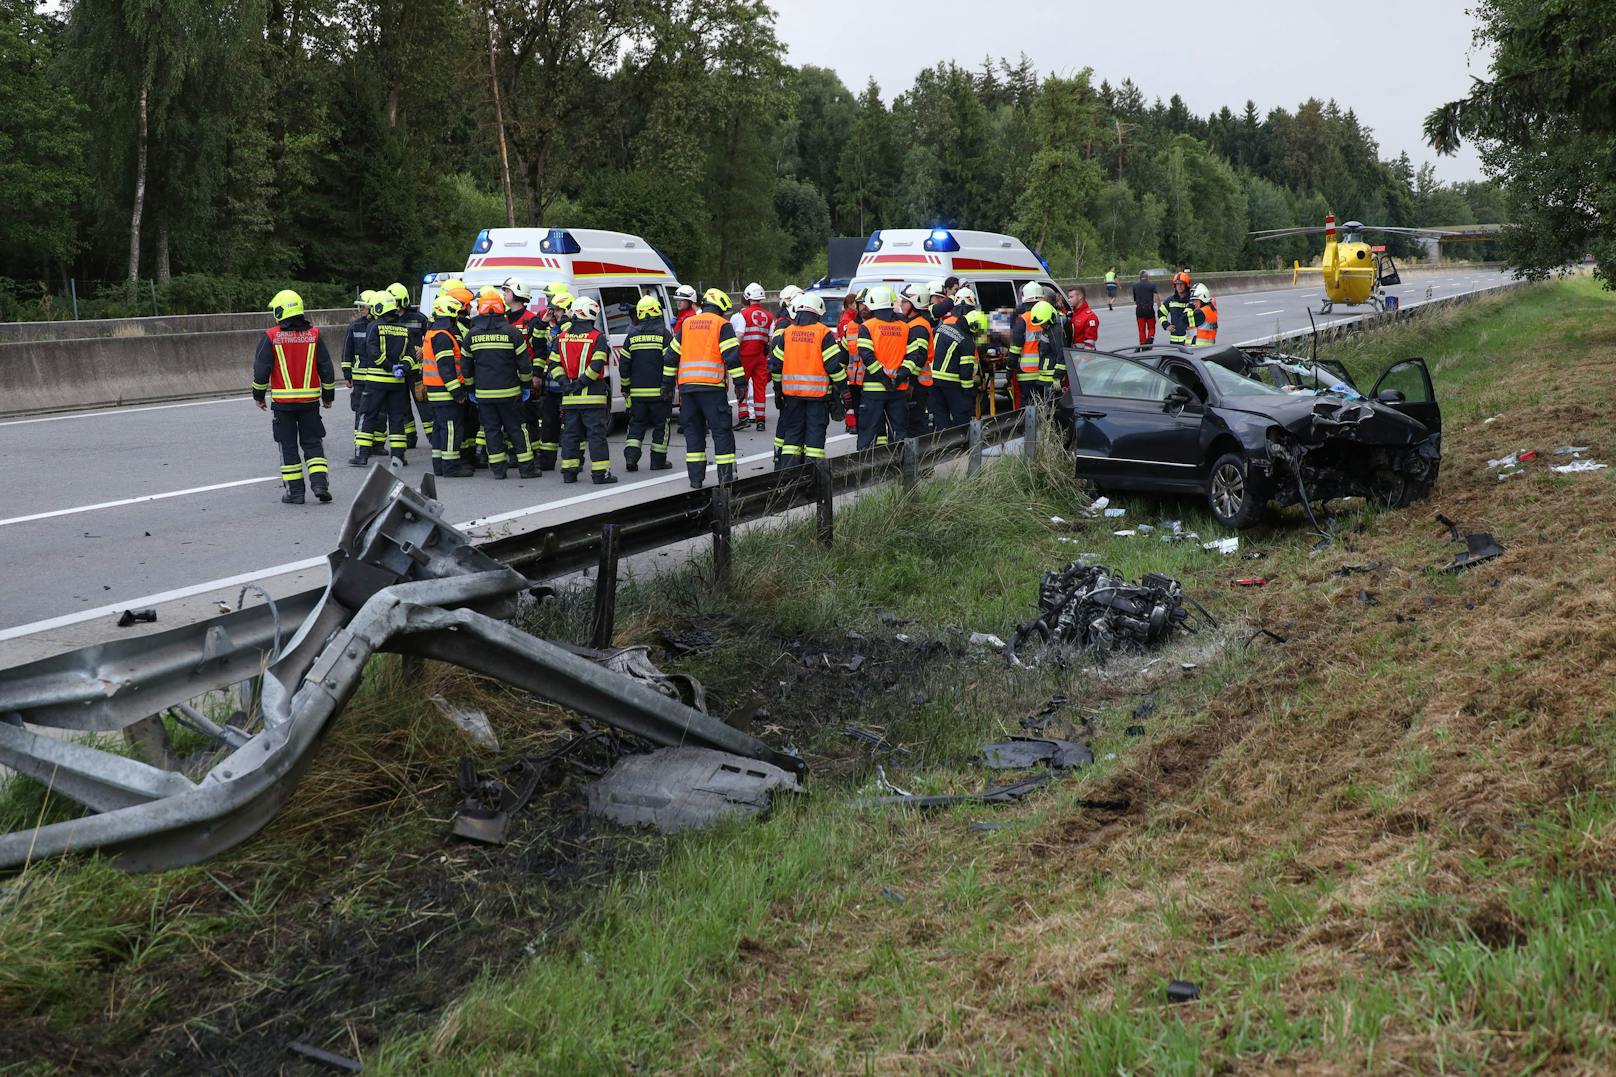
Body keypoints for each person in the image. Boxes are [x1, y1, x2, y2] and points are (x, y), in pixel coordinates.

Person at [253, 289, 335, 504]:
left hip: (283, 405)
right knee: (313, 444)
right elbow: (326, 368)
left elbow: (261, 370)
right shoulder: (314, 335)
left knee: (288, 446)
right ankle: (319, 484)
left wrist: (258, 395)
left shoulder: (271, 336)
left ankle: (295, 493)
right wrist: (328, 395)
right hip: (310, 403)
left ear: (281, 311)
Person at [665, 287, 745, 488]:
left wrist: (666, 384)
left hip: (688, 391)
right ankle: (726, 479)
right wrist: (740, 383)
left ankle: (695, 480)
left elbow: (670, 356)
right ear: (721, 308)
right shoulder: (722, 325)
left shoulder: (687, 324)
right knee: (721, 433)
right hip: (712, 390)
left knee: (694, 435)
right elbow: (732, 357)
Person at [462, 291, 537, 479]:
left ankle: (498, 471)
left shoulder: (471, 335)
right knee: (517, 429)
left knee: (491, 431)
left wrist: (471, 389)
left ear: (480, 310)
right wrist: (526, 386)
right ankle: (527, 469)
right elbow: (524, 365)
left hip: (484, 395)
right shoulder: (513, 333)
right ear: (501, 308)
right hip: (510, 393)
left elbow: (466, 368)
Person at [769, 292, 848, 468]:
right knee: (814, 440)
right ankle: (813, 479)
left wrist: (777, 390)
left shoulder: (787, 333)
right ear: (818, 312)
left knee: (792, 438)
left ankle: (788, 478)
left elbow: (775, 365)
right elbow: (834, 366)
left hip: (792, 396)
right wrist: (844, 389)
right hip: (817, 398)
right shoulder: (823, 333)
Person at [553, 295, 617, 484]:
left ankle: (569, 473)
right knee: (596, 436)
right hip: (592, 396)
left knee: (571, 435)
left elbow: (554, 364)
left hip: (569, 398)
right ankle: (600, 475)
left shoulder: (562, 337)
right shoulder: (597, 337)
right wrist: (579, 384)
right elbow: (597, 365)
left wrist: (566, 384)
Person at [350, 288, 416, 466]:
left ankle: (361, 456)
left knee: (367, 415)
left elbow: (372, 351)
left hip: (376, 382)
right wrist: (402, 368)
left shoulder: (374, 326)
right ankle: (398, 456)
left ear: (379, 308)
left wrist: (388, 366)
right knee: (396, 419)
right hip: (397, 383)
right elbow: (412, 355)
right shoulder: (403, 329)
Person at [855, 285, 924, 449]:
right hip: (898, 389)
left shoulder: (868, 327)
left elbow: (867, 356)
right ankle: (900, 469)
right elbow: (914, 356)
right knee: (899, 432)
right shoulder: (905, 326)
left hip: (874, 388)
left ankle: (863, 470)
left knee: (867, 432)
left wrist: (883, 378)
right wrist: (900, 375)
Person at [420, 291, 474, 478]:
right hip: (445, 392)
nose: (458, 317)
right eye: (456, 314)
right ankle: (451, 467)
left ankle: (440, 466)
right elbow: (446, 368)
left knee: (439, 430)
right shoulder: (443, 336)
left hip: (435, 391)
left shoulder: (433, 332)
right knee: (451, 429)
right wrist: (457, 393)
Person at [621, 294, 674, 472]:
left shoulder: (631, 336)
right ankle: (657, 461)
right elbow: (670, 361)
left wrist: (625, 387)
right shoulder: (664, 335)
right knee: (661, 426)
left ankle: (631, 458)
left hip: (637, 394)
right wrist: (668, 385)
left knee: (636, 426)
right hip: (660, 392)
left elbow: (624, 366)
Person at [531, 288, 572, 472]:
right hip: (551, 386)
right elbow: (537, 347)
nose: (553, 312)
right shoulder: (550, 326)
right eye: (552, 309)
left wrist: (564, 319)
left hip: (566, 385)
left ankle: (572, 462)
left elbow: (565, 341)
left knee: (571, 426)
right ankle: (546, 461)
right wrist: (541, 325)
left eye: (557, 309)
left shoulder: (572, 328)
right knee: (548, 425)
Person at [385, 281, 430, 450]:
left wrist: (424, 350)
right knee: (402, 407)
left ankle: (434, 438)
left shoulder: (419, 319)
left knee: (424, 404)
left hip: (417, 370)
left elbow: (431, 338)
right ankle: (409, 438)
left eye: (395, 301)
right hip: (398, 370)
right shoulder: (389, 321)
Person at [929, 304, 982, 430]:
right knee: (961, 415)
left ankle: (942, 446)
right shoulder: (967, 341)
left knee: (940, 417)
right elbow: (965, 372)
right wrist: (968, 392)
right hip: (951, 382)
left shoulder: (942, 327)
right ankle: (963, 445)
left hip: (932, 380)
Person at [732, 282, 773, 431]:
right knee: (760, 388)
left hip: (744, 356)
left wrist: (733, 351)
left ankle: (743, 417)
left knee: (741, 386)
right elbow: (770, 339)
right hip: (761, 357)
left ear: (748, 297)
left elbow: (740, 334)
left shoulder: (742, 314)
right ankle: (760, 420)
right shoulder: (769, 316)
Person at [341, 290, 377, 459]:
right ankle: (361, 446)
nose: (362, 309)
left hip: (377, 377)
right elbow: (347, 351)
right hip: (360, 378)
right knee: (361, 412)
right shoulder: (355, 326)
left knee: (380, 412)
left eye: (364, 306)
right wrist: (347, 374)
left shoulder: (380, 325)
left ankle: (377, 444)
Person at [900, 283, 936, 436]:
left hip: (916, 382)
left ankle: (920, 455)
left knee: (915, 422)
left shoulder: (918, 327)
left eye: (904, 301)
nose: (901, 304)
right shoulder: (913, 324)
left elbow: (919, 357)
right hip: (915, 381)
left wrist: (906, 376)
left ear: (914, 304)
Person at [1010, 280, 1049, 407]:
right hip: (1045, 371)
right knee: (1044, 405)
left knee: (1028, 407)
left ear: (1024, 299)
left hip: (1027, 373)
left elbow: (1015, 348)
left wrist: (1009, 369)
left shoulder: (1023, 320)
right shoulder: (1049, 315)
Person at [837, 292, 863, 435]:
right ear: (850, 304)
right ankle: (851, 424)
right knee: (850, 399)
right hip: (852, 365)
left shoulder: (850, 318)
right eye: (855, 303)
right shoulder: (847, 321)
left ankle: (852, 423)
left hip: (853, 365)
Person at [1159, 278, 1195, 346]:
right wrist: (1166, 325)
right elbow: (1161, 313)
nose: (1179, 286)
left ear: (1186, 285)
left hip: (1190, 340)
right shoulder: (1170, 300)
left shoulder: (1193, 300)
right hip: (1175, 341)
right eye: (1177, 284)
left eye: (1181, 284)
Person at [1132, 271, 1160, 346]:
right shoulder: (1152, 285)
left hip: (1139, 309)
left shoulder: (1135, 285)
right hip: (1149, 309)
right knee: (1151, 327)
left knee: (1141, 329)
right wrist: (1159, 308)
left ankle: (1143, 345)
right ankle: (1150, 339)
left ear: (1140, 277)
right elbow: (1157, 297)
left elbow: (1135, 299)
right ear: (1147, 276)